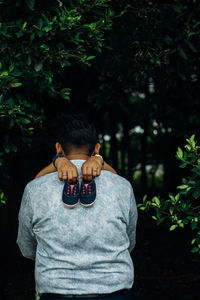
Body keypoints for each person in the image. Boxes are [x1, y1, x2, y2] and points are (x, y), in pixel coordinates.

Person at [17, 113, 138, 300]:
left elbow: (27, 247)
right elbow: (129, 242)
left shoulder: (35, 189)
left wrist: (57, 160)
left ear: (58, 147)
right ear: (97, 148)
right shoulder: (122, 187)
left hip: (56, 291)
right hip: (114, 291)